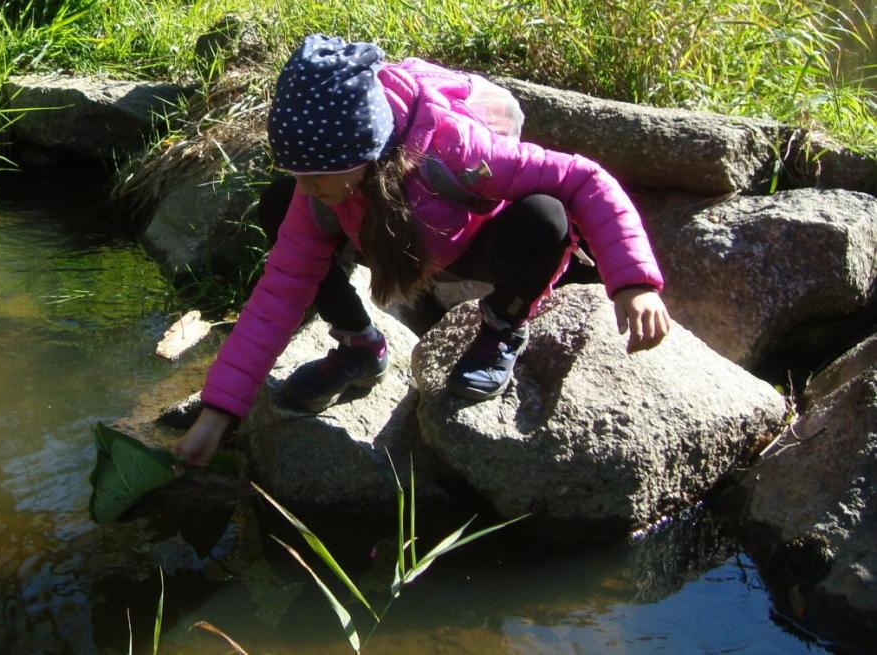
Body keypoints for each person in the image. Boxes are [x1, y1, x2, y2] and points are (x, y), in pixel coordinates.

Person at [173, 34, 671, 467]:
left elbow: (585, 179)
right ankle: (359, 346)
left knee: (546, 217)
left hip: (470, 244)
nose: (307, 185)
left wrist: (633, 283)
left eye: (317, 174)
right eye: (297, 170)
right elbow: (280, 291)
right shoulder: (322, 188)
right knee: (281, 206)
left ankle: (501, 328)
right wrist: (220, 411)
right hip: (389, 240)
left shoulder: (461, 151)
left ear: (365, 151)